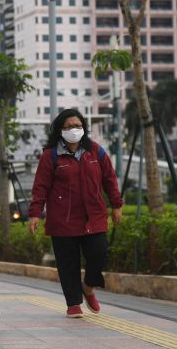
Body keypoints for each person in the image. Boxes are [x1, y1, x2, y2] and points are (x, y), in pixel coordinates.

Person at [28, 108, 123, 319]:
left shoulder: (96, 152)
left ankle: (88, 287)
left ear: (84, 128)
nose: (74, 130)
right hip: (63, 219)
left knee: (99, 254)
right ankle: (73, 302)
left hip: (94, 215)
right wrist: (35, 214)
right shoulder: (50, 155)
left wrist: (116, 205)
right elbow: (40, 187)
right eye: (69, 126)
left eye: (78, 126)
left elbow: (110, 179)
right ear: (60, 130)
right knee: (67, 263)